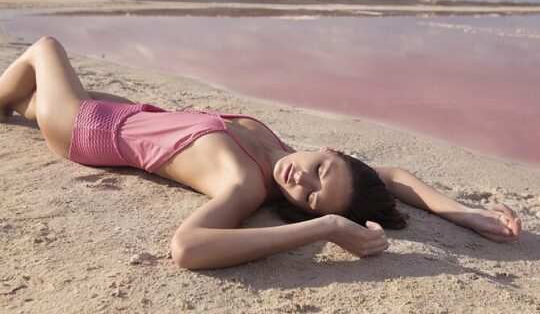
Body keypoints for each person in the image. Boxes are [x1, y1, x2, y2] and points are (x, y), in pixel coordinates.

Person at [0, 36, 522, 269]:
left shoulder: (246, 183)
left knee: (45, 47)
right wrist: (464, 214)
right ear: (330, 150)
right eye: (321, 168)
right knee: (24, 97)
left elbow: (189, 248)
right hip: (134, 111)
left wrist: (327, 228)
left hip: (87, 129)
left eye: (312, 197)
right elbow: (391, 175)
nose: (302, 178)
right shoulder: (285, 152)